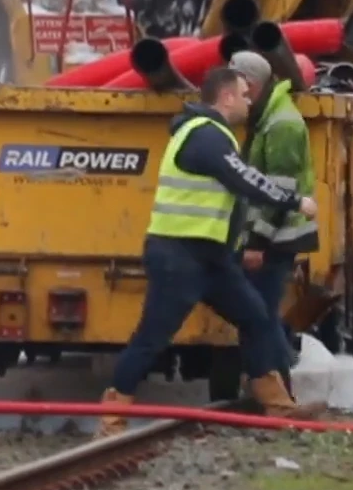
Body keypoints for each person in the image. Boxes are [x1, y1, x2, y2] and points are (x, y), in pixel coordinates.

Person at [97, 65, 323, 437]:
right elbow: (244, 179)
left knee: (255, 316)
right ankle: (112, 417)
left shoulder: (215, 135)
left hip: (211, 258)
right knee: (152, 337)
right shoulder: (205, 136)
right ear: (227, 97)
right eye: (244, 95)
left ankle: (277, 405)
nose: (250, 102)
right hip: (178, 257)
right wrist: (295, 200)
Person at [228, 51, 316, 383]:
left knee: (260, 315)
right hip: (268, 236)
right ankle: (274, 389)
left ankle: (280, 389)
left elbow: (279, 194)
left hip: (277, 237)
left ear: (250, 85)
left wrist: (256, 243)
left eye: (234, 87)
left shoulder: (283, 125)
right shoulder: (267, 117)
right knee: (259, 312)